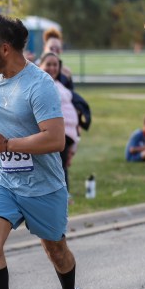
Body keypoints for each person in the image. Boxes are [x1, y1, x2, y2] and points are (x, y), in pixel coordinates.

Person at [0, 14, 84, 289]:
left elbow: (55, 139)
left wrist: (9, 145)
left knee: (56, 250)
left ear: (5, 48)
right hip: (6, 179)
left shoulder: (40, 85)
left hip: (44, 185)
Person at [39, 52, 80, 192]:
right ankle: (62, 197)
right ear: (40, 66)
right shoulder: (39, 84)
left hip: (66, 137)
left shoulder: (59, 85)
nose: (52, 68)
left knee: (60, 170)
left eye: (55, 65)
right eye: (48, 64)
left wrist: (74, 145)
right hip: (54, 135)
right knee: (56, 171)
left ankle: (63, 198)